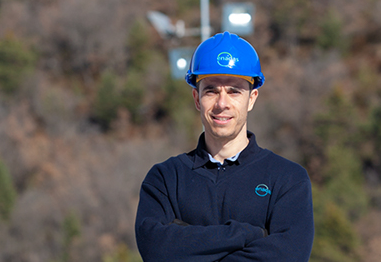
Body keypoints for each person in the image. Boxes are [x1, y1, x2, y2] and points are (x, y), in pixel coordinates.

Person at [134, 32, 314, 261]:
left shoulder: (288, 180)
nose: (222, 103)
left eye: (234, 91)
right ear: (197, 99)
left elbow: (289, 256)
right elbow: (156, 249)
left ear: (252, 98)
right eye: (211, 90)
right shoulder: (166, 179)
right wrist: (247, 234)